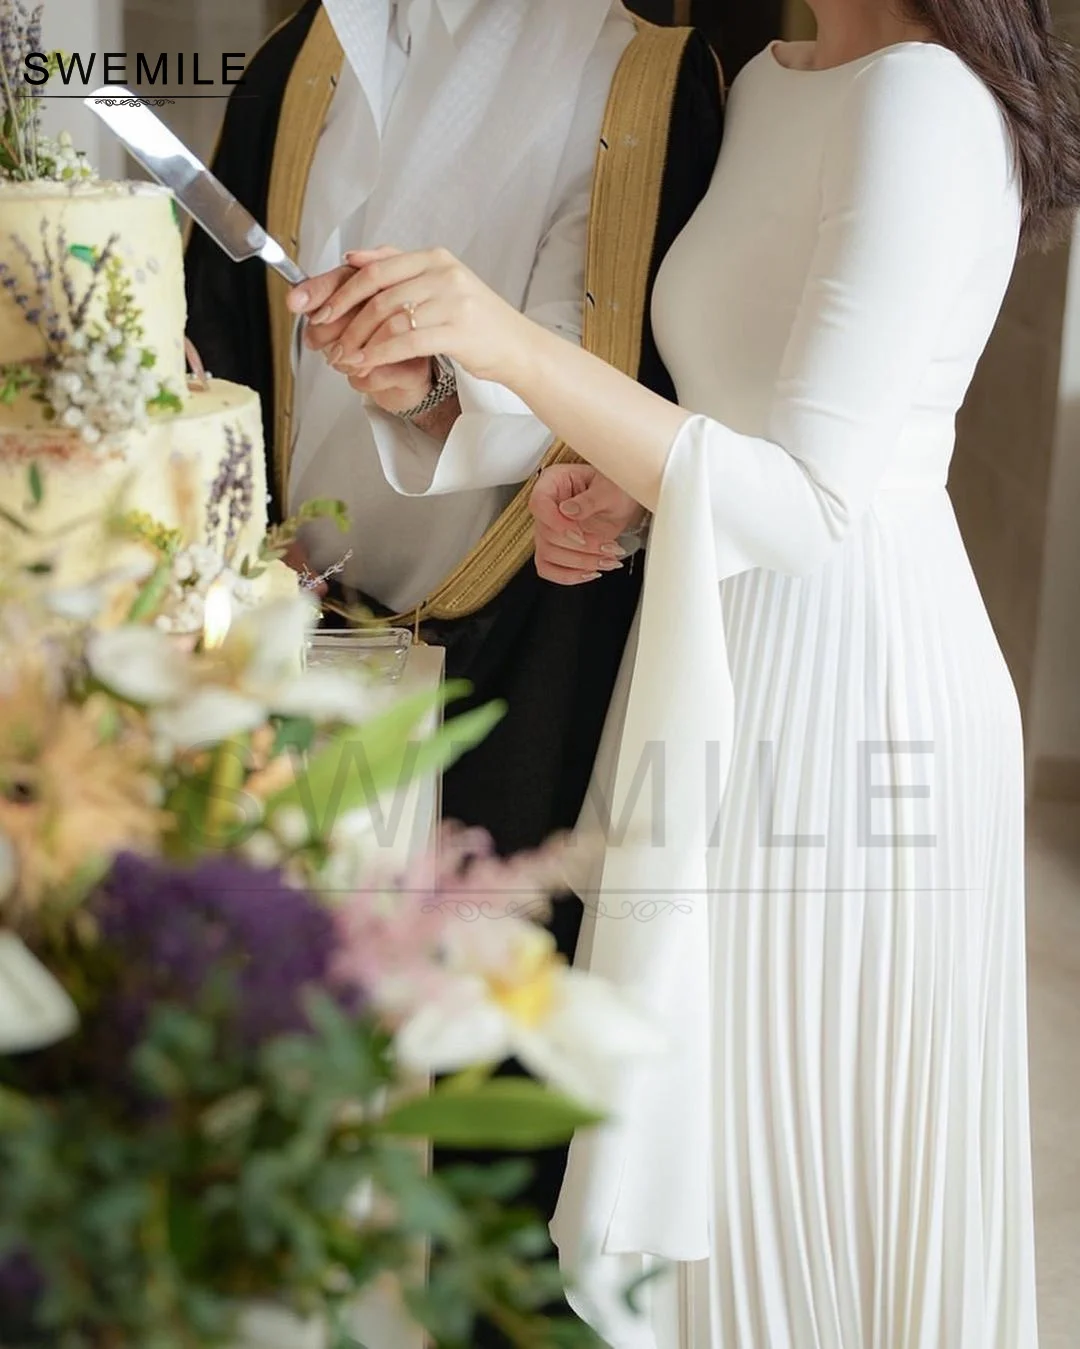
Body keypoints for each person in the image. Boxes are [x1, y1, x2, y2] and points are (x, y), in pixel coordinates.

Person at [291, 0, 1080, 1344]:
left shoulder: (927, 102)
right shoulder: (778, 79)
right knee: (708, 1159)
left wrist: (508, 341)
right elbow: (749, 420)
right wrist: (624, 495)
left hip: (852, 687)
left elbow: (816, 504)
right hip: (725, 664)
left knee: (791, 1168)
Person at [185, 3, 724, 1337]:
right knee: (271, 1052)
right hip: (292, 647)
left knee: (499, 1073)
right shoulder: (298, 62)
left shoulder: (649, 82)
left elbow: (620, 386)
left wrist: (427, 390)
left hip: (530, 648)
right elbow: (227, 340)